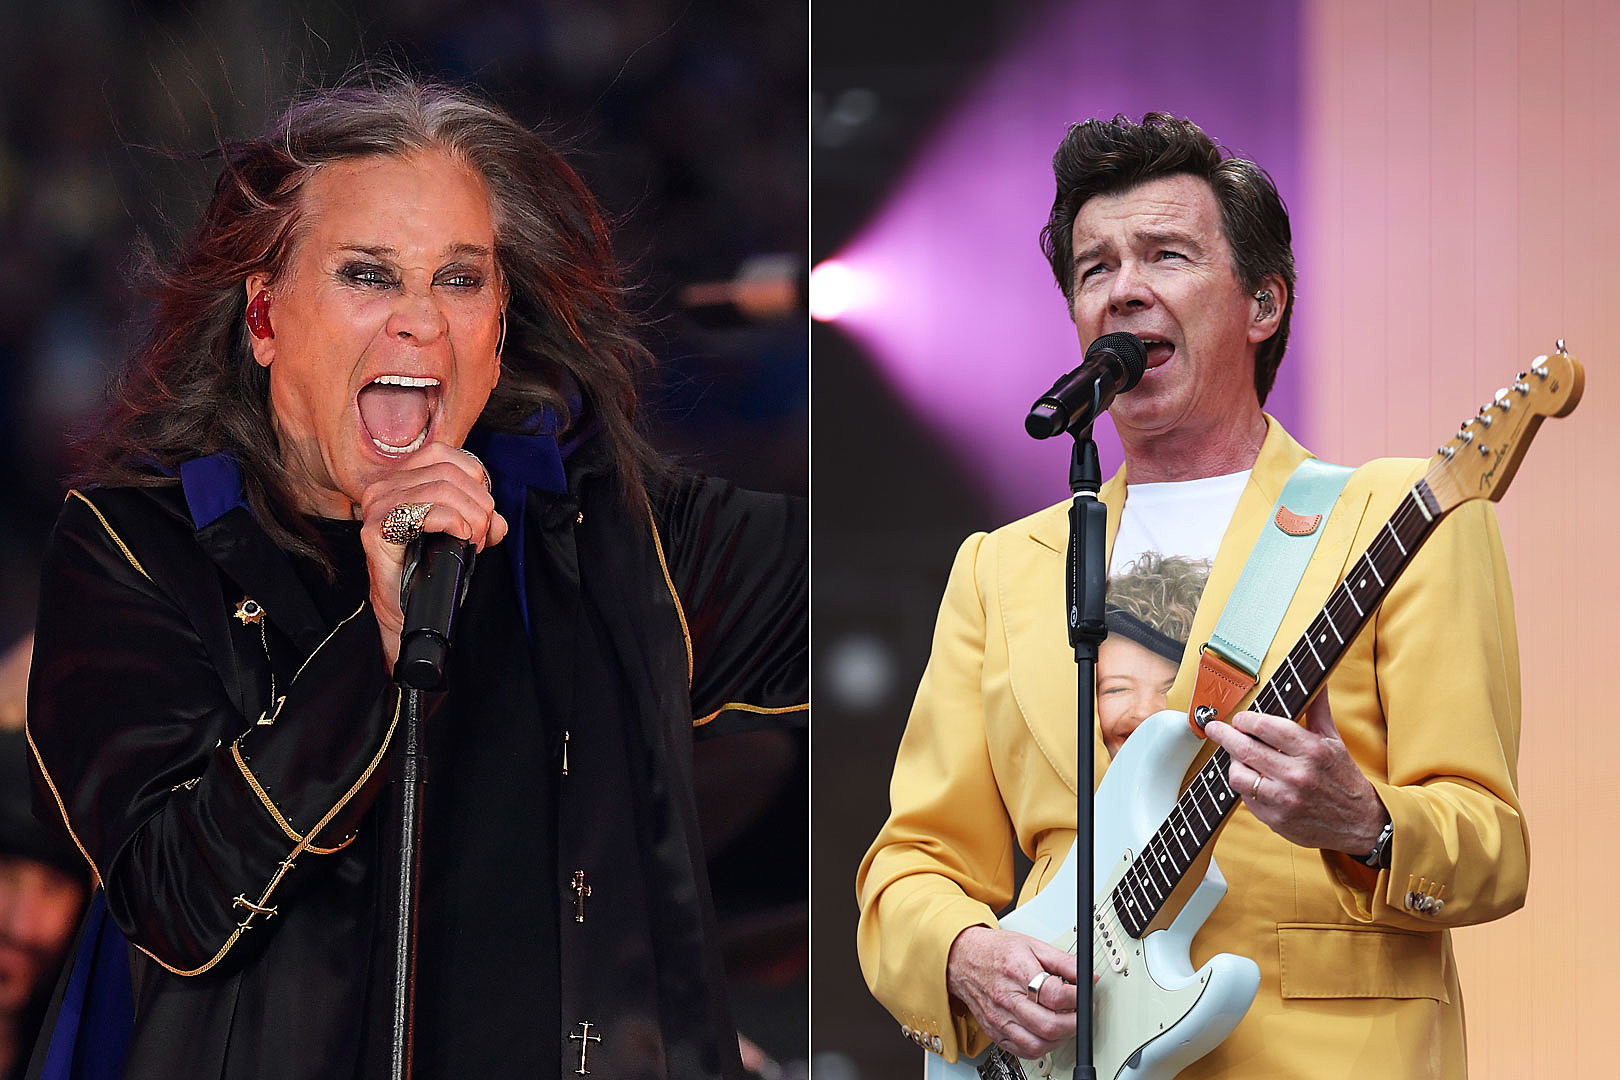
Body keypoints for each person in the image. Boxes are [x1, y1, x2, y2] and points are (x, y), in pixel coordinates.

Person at [25, 75, 806, 1080]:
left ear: (497, 327)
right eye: (369, 276)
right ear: (264, 318)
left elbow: (953, 586)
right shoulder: (133, 548)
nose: (422, 324)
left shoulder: (605, 537)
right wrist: (375, 646)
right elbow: (179, 898)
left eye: (460, 279)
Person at [856, 113, 1525, 1077]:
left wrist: (1367, 822)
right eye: (1095, 269)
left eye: (1166, 254)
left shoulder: (1404, 515)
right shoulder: (1002, 569)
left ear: (1263, 303)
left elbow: (1492, 843)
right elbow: (910, 863)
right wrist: (964, 955)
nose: (1124, 288)